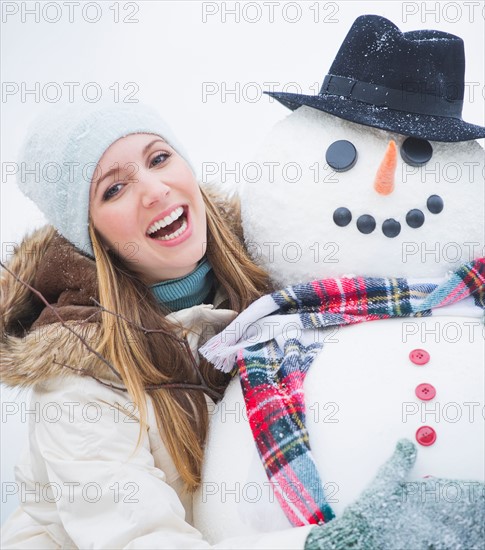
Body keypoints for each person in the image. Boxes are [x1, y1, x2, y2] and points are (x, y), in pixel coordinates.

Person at [1, 103, 482, 549]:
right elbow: (144, 541)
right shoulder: (80, 385)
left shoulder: (271, 289)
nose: (154, 190)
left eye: (159, 158)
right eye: (114, 189)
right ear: (92, 236)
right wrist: (333, 540)